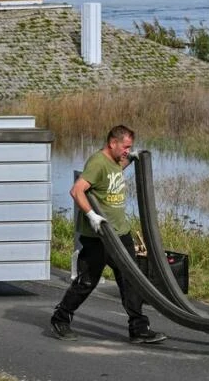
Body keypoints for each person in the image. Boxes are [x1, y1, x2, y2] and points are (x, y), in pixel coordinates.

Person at [50, 125, 167, 344]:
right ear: (113, 143)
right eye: (125, 147)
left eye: (129, 147)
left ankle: (138, 329)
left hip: (120, 233)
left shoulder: (114, 163)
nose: (127, 150)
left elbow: (114, 173)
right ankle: (60, 318)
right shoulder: (97, 162)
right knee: (87, 281)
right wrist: (92, 215)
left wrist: (131, 158)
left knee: (132, 280)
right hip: (100, 236)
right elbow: (77, 190)